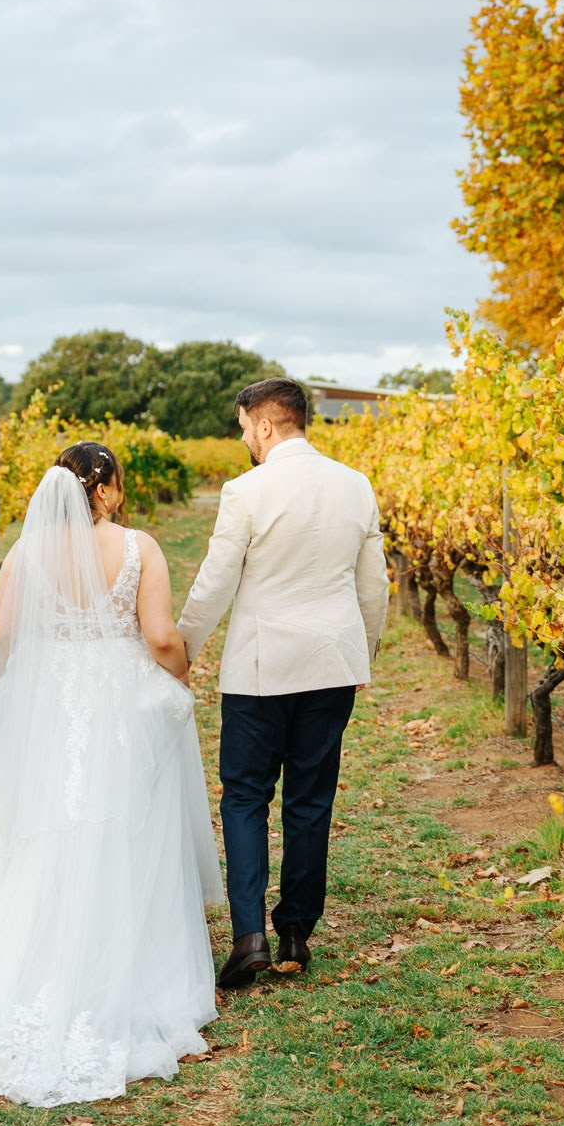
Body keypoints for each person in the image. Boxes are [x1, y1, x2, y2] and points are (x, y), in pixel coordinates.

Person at [0, 442, 223, 1106]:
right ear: (109, 489)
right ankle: (120, 973)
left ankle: (18, 965)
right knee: (122, 831)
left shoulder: (27, 553)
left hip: (51, 702)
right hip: (119, 705)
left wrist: (25, 686)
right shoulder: (139, 547)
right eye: (117, 483)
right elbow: (163, 639)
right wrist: (180, 675)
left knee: (32, 829)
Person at [177, 378, 388, 988]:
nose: (242, 436)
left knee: (245, 796)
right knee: (309, 799)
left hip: (261, 668)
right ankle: (296, 928)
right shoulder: (355, 486)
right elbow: (372, 585)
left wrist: (183, 648)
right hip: (331, 665)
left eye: (243, 426)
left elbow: (217, 579)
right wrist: (361, 650)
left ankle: (250, 939)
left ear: (265, 425)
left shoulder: (246, 491)